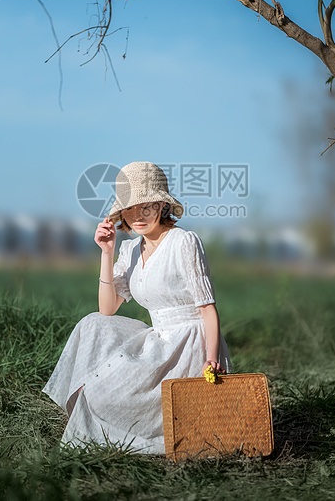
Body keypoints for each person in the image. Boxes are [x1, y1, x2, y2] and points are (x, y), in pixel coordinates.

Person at [42, 161, 231, 454]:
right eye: (129, 208)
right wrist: (107, 252)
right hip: (159, 339)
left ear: (161, 205)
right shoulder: (130, 250)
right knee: (92, 324)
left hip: (190, 345)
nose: (138, 215)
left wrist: (211, 359)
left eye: (146, 206)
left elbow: (207, 309)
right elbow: (107, 308)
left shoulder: (183, 242)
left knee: (107, 393)